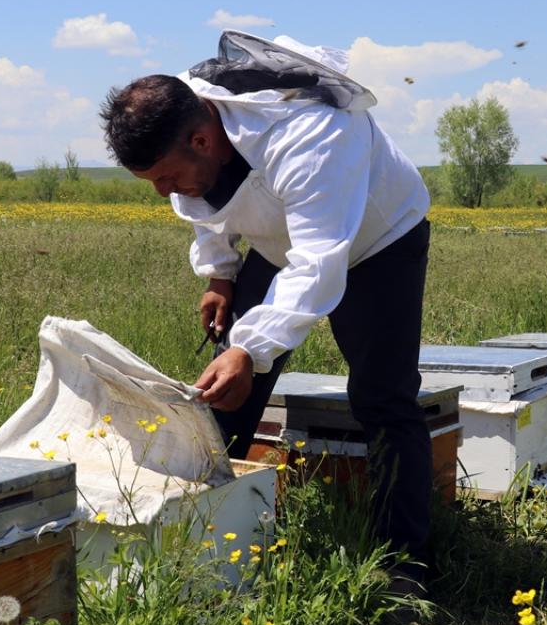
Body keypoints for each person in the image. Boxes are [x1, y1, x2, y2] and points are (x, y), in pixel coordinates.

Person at [99, 31, 434, 593]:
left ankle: (402, 570)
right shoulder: (192, 117)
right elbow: (204, 203)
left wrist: (249, 348)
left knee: (382, 399)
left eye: (164, 177)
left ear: (203, 140)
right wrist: (220, 273)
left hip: (378, 243)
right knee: (221, 395)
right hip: (286, 241)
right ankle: (201, 538)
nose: (163, 193)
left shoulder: (310, 135)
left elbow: (317, 264)